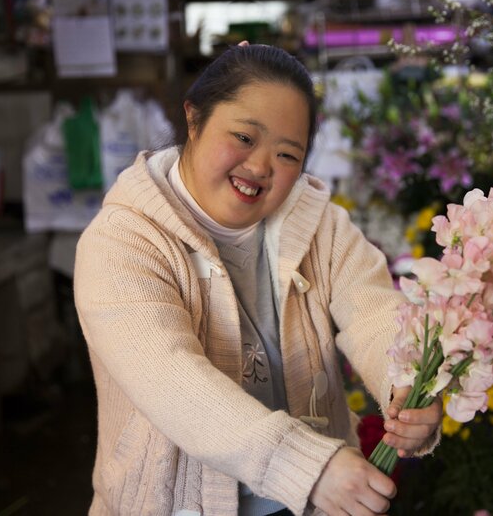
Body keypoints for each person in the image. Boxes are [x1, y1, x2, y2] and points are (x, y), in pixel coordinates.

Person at [74, 42, 442, 516]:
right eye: (245, 137)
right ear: (193, 117)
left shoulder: (320, 225)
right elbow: (172, 384)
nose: (260, 167)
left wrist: (406, 382)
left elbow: (372, 311)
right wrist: (309, 468)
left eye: (287, 154)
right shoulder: (121, 242)